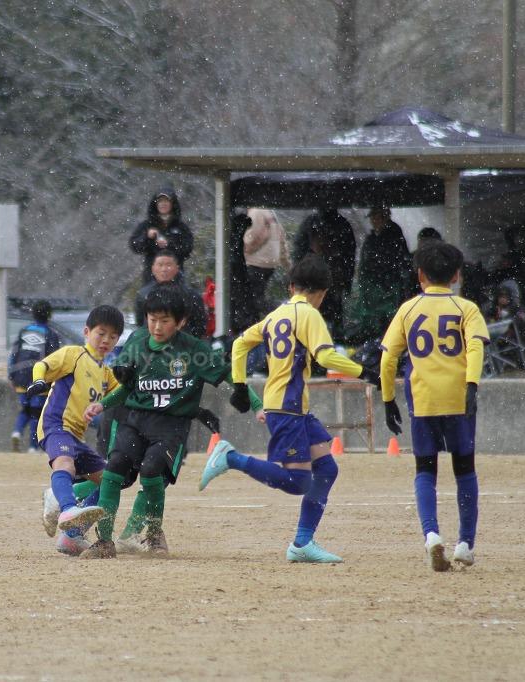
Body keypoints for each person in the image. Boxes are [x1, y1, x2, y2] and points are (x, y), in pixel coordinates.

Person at [198, 255, 380, 563]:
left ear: (291, 286)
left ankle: (302, 543)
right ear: (323, 292)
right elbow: (325, 356)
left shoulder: (276, 314)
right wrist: (365, 372)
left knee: (327, 469)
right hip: (287, 406)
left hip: (291, 407)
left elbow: (239, 344)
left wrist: (241, 385)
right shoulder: (309, 314)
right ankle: (231, 458)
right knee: (298, 482)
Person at [79, 285, 263, 559]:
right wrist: (102, 404)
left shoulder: (195, 351)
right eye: (152, 319)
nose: (157, 327)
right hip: (135, 419)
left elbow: (229, 375)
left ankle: (153, 533)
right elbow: (127, 388)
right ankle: (104, 542)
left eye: (164, 321)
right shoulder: (137, 343)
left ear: (181, 322)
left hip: (171, 424)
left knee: (152, 470)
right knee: (115, 468)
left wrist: (257, 405)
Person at [379, 240, 488, 572]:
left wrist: (388, 400)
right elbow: (476, 348)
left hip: (423, 399)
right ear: (456, 275)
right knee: (464, 469)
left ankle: (431, 535)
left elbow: (388, 359)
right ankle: (465, 544)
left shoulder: (408, 309)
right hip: (458, 399)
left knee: (425, 470)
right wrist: (472, 384)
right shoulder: (466, 309)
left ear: (420, 275)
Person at [24, 305, 125, 556]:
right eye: (101, 333)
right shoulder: (74, 354)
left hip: (77, 437)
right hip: (56, 425)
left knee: (111, 481)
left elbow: (125, 392)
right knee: (65, 464)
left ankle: (72, 535)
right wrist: (38, 381)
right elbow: (42, 365)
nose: (106, 340)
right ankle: (67, 508)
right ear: (86, 332)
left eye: (113, 336)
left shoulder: (106, 373)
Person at [349, 204, 413, 343]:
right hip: (373, 285)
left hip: (387, 285)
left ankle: (384, 339)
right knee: (371, 314)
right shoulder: (372, 238)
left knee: (387, 316)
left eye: (375, 217)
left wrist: (386, 280)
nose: (373, 221)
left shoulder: (393, 235)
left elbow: (396, 260)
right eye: (372, 218)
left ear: (384, 217)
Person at [291, 207, 357, 339]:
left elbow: (349, 257)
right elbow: (349, 257)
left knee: (326, 317)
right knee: (325, 317)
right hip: (324, 281)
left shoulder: (314, 223)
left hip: (328, 282)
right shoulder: (339, 224)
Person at [8, 300, 62, 453]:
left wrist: (11, 375)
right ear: (49, 315)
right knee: (36, 413)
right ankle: (33, 447)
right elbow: (54, 359)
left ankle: (17, 432)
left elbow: (13, 354)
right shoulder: (51, 334)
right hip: (38, 377)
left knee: (25, 409)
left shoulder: (24, 331)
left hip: (19, 375)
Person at [134, 251, 208, 338]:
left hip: (183, 342)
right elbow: (140, 324)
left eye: (168, 265)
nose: (164, 269)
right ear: (153, 269)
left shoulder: (191, 295)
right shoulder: (143, 294)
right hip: (151, 342)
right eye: (160, 265)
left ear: (177, 268)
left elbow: (199, 325)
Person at [129, 187, 194, 283]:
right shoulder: (147, 225)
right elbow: (134, 246)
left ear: (172, 204)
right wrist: (147, 237)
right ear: (155, 204)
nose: (163, 204)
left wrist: (169, 244)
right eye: (160, 201)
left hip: (175, 279)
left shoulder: (181, 227)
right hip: (151, 279)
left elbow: (188, 249)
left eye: (166, 201)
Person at [243, 208, 289, 321]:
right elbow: (282, 238)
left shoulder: (256, 212)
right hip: (269, 264)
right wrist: (286, 263)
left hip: (256, 262)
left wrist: (243, 250)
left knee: (252, 300)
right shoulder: (270, 213)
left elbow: (255, 236)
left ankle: (285, 311)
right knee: (256, 299)